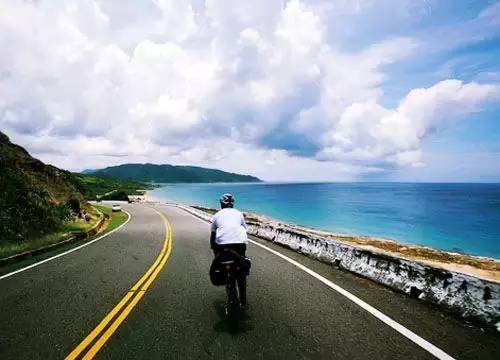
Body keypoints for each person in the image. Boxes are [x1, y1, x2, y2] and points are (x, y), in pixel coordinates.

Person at [210, 193, 248, 307]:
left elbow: (212, 235)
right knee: (241, 271)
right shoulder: (239, 213)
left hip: (223, 246)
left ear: (221, 204)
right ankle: (243, 301)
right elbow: (244, 229)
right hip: (239, 245)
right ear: (233, 204)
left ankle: (222, 272)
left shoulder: (216, 215)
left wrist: (215, 251)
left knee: (220, 261)